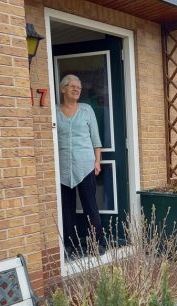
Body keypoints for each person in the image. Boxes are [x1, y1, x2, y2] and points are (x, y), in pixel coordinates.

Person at [57, 74, 105, 257]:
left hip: (85, 165)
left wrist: (97, 161)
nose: (77, 89)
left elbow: (96, 138)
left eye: (79, 87)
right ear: (63, 89)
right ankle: (70, 244)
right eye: (72, 86)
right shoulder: (54, 111)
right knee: (66, 208)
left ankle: (97, 242)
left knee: (90, 206)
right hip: (63, 167)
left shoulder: (86, 110)